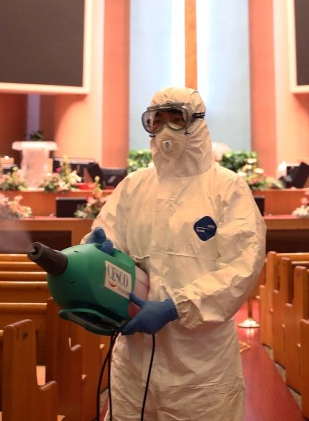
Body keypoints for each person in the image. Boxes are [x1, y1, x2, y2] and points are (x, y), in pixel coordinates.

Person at [85, 86, 265, 420]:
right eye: (157, 121)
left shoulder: (227, 188)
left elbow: (241, 267)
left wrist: (176, 307)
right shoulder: (134, 187)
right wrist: (98, 252)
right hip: (135, 355)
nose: (165, 130)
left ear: (196, 122)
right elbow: (108, 240)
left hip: (200, 361)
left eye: (175, 119)